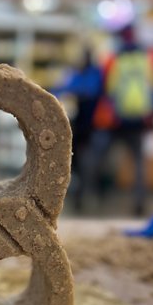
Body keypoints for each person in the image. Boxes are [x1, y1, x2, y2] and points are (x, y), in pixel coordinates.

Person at [83, 23, 153, 216]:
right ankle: (139, 202)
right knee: (139, 163)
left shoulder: (111, 59)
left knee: (95, 158)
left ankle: (88, 198)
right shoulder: (148, 59)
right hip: (138, 119)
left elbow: (103, 90)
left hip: (111, 121)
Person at [49, 48, 103, 211]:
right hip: (82, 127)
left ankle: (85, 194)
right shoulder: (87, 74)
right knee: (80, 163)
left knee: (85, 164)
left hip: (88, 127)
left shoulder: (85, 75)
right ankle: (81, 195)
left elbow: (71, 90)